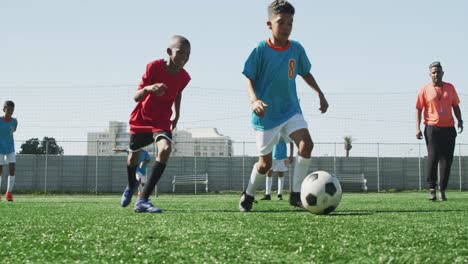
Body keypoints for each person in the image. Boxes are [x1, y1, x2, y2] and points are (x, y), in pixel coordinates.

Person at [239, 0, 329, 212]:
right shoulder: (260, 49)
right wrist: (255, 101)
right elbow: (248, 77)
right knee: (265, 164)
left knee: (306, 144)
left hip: (290, 109)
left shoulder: (296, 49)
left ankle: (296, 194)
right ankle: (249, 193)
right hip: (266, 115)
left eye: (290, 23)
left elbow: (305, 72)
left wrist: (320, 93)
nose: (287, 27)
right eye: (281, 22)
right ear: (269, 24)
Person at [120, 35, 191, 213]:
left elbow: (178, 92)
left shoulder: (184, 77)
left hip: (162, 121)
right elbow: (136, 96)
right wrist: (149, 88)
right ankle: (131, 185)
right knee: (132, 158)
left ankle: (143, 199)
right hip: (142, 120)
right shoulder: (154, 67)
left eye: (188, 55)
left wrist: (177, 114)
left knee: (165, 148)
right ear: (169, 52)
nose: (184, 58)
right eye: (180, 53)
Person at [416, 61, 463, 201]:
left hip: (449, 128)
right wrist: (417, 128)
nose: (436, 74)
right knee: (433, 157)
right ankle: (432, 189)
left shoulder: (450, 88)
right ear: (430, 75)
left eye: (438, 72)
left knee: (447, 160)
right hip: (432, 128)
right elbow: (419, 109)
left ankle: (442, 190)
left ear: (443, 73)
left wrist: (460, 120)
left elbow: (455, 106)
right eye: (433, 72)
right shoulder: (424, 89)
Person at [260, 137, 293, 201]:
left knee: (281, 174)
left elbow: (291, 143)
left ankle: (279, 195)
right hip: (272, 157)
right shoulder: (273, 133)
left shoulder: (284, 133)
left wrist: (291, 155)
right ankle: (267, 195)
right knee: (269, 173)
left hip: (283, 158)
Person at [0, 101, 18, 202]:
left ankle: (9, 193)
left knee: (12, 169)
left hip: (10, 148)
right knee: (0, 171)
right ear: (4, 109)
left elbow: (13, 131)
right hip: (0, 149)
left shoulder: (14, 121)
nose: (10, 111)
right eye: (8, 109)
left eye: (12, 110)